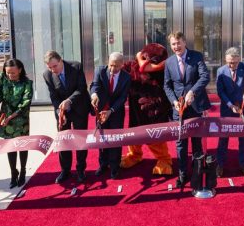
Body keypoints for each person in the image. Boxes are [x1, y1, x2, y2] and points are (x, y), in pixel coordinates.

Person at [163, 31, 211, 189]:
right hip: (179, 110)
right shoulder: (169, 62)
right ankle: (183, 175)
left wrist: (193, 92)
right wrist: (173, 101)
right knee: (180, 144)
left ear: (184, 42)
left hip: (195, 107)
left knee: (197, 143)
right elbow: (167, 85)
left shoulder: (196, 56)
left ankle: (197, 174)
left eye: (178, 43)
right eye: (173, 44)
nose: (176, 46)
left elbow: (205, 76)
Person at [119, 43, 174, 175]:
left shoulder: (164, 70)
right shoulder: (132, 66)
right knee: (134, 135)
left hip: (154, 111)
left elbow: (169, 88)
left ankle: (164, 159)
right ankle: (134, 155)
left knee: (155, 137)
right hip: (136, 110)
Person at [42, 51, 91, 183]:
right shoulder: (47, 75)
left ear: (61, 61)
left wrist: (69, 100)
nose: (53, 70)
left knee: (81, 140)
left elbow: (82, 88)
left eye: (55, 66)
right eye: (50, 67)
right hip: (62, 111)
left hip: (79, 107)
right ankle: (65, 170)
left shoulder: (76, 67)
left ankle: (81, 169)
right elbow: (53, 96)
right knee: (64, 140)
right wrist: (60, 112)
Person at [215, 47, 244, 177]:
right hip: (227, 108)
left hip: (243, 108)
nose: (230, 65)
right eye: (228, 62)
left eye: (233, 62)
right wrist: (230, 105)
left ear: (238, 59)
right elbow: (220, 91)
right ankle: (220, 165)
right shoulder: (221, 71)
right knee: (223, 138)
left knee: (243, 138)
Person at [89, 52, 131, 179]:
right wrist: (94, 94)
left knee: (115, 139)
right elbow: (94, 86)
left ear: (122, 65)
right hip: (101, 110)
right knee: (103, 139)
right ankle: (103, 165)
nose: (113, 69)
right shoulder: (100, 71)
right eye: (111, 65)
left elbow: (123, 97)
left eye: (116, 66)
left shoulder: (126, 77)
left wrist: (111, 111)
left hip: (115, 111)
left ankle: (114, 167)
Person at [0, 59, 33, 188]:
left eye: (13, 73)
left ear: (20, 70)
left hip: (20, 118)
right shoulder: (2, 78)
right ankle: (13, 173)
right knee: (10, 146)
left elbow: (25, 103)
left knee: (22, 145)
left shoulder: (27, 83)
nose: (10, 76)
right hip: (5, 116)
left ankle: (22, 171)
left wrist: (11, 117)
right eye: (8, 73)